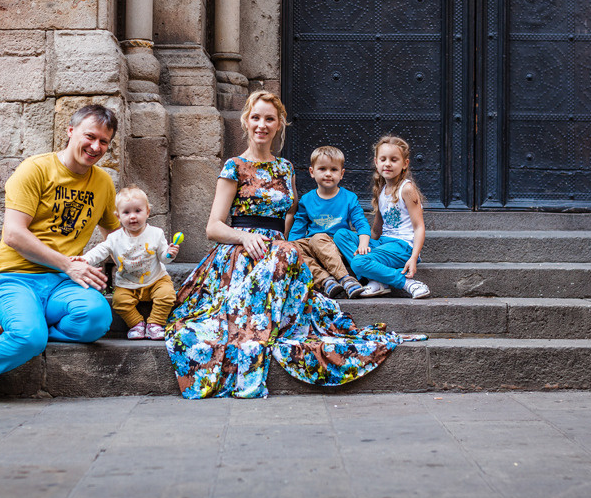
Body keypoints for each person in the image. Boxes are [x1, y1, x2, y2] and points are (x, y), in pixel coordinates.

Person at [165, 91, 401, 399]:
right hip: (240, 253)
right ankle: (250, 336)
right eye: (256, 118)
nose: (262, 125)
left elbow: (289, 216)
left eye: (269, 119)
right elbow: (213, 227)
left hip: (279, 255)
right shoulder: (234, 166)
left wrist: (283, 248)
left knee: (295, 263)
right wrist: (245, 236)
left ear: (279, 125)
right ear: (245, 122)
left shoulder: (285, 168)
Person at [0, 104, 121, 406]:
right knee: (29, 338)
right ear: (70, 132)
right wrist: (69, 265)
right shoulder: (36, 169)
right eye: (90, 136)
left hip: (60, 284)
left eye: (104, 142)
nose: (96, 147)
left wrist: (146, 254)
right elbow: (14, 234)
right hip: (15, 278)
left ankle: (27, 328)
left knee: (96, 319)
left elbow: (115, 236)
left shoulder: (103, 183)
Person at [334, 136, 430, 299]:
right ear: (376, 162)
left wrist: (414, 257)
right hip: (383, 243)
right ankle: (376, 279)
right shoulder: (381, 190)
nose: (387, 164)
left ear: (405, 164)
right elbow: (376, 231)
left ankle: (407, 283)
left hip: (402, 247)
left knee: (358, 262)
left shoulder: (406, 189)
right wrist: (360, 242)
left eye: (394, 160)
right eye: (383, 159)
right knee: (341, 235)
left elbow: (419, 227)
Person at [79, 185, 179, 341]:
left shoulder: (156, 233)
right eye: (126, 212)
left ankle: (155, 324)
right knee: (119, 301)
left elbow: (163, 258)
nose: (132, 216)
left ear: (148, 212)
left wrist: (170, 254)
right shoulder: (114, 238)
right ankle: (137, 324)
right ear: (118, 216)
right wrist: (85, 259)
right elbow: (100, 250)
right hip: (127, 283)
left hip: (156, 279)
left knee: (167, 295)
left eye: (138, 211)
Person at [287, 145, 369, 299]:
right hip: (312, 244)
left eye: (333, 170)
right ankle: (325, 280)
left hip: (336, 246)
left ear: (341, 173)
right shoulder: (306, 199)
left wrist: (363, 243)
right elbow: (298, 227)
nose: (328, 174)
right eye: (322, 169)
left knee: (318, 238)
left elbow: (361, 223)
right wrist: (291, 246)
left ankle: (345, 279)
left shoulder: (349, 198)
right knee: (293, 247)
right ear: (312, 172)